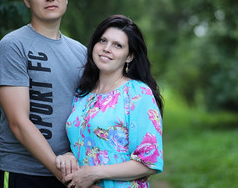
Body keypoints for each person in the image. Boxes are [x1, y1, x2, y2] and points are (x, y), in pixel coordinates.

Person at [0, 0, 90, 188]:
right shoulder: (13, 46)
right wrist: (63, 173)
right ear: (26, 0)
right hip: (23, 174)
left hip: (73, 170)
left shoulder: (82, 53)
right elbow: (18, 123)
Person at [55, 14, 164, 188]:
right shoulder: (83, 94)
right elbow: (87, 143)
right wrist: (69, 156)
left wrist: (94, 173)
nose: (106, 48)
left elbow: (149, 162)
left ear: (129, 56)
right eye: (102, 41)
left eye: (117, 45)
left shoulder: (138, 94)